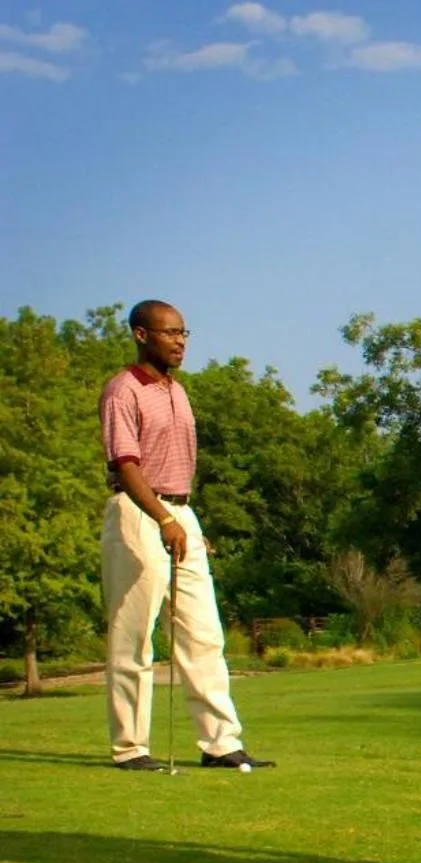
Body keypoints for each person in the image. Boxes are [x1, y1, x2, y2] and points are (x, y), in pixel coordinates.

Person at [99, 300, 273, 773]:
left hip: (179, 512)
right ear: (140, 335)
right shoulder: (123, 390)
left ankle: (220, 743)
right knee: (133, 639)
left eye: (183, 333)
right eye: (169, 333)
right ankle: (131, 748)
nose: (179, 341)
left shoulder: (177, 391)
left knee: (203, 634)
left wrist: (185, 522)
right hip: (138, 512)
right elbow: (126, 464)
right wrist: (163, 519)